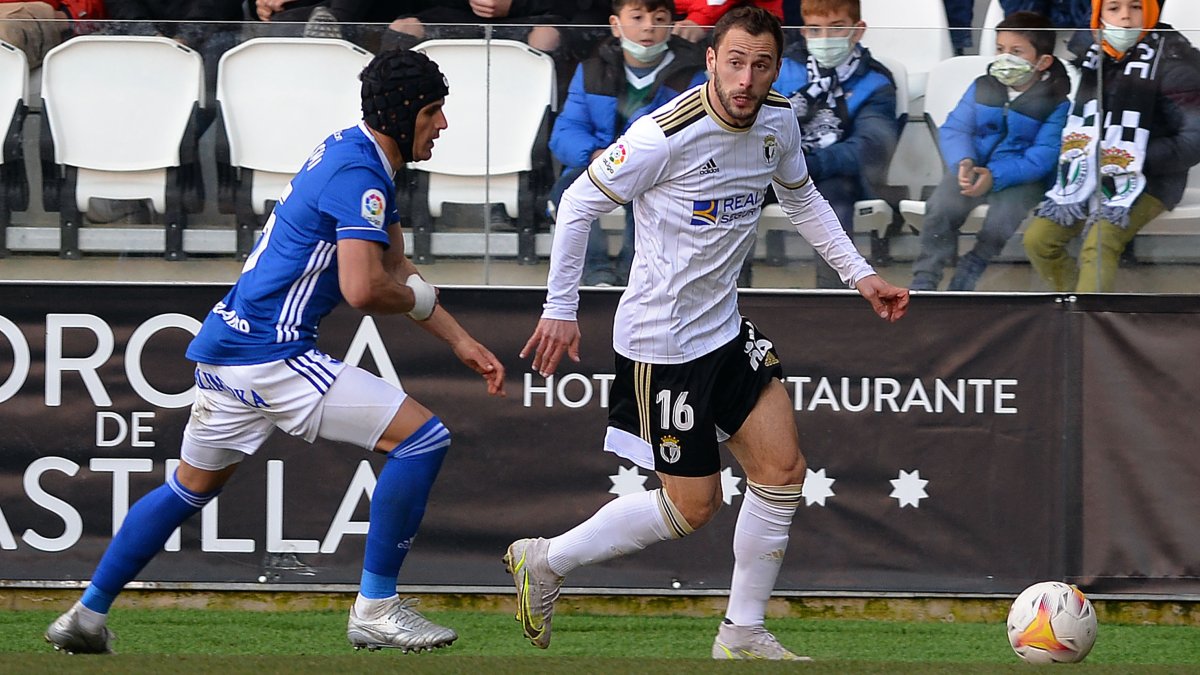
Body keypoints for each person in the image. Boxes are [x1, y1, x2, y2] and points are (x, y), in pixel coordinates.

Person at [44, 49, 507, 655]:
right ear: (401, 114)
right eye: (432, 111)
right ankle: (376, 609)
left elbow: (394, 265)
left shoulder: (353, 153)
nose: (442, 124)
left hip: (226, 347)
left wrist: (459, 339)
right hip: (272, 353)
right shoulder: (360, 176)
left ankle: (84, 616)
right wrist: (417, 300)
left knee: (188, 487)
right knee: (422, 440)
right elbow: (365, 288)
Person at [506, 6, 908, 660]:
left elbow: (801, 195)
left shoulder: (778, 118)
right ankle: (548, 559)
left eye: (762, 65)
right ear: (712, 60)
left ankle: (742, 632)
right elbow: (578, 202)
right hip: (662, 345)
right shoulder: (664, 135)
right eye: (736, 62)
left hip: (724, 330)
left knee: (782, 471)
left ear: (777, 69)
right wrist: (560, 307)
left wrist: (859, 274)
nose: (747, 79)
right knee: (693, 507)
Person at [1023, 0, 1200, 292]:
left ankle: (1089, 317)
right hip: (1088, 174)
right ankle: (1077, 304)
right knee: (1038, 240)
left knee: (1099, 242)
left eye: (1136, 7)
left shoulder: (1176, 63)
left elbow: (1192, 141)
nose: (1125, 18)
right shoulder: (1092, 58)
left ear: (1151, 12)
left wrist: (1131, 159)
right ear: (1098, 15)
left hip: (1153, 180)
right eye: (1113, 8)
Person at [549, 0, 706, 286]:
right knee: (567, 189)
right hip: (600, 164)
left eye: (660, 19)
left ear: (671, 26)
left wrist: (643, 160)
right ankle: (596, 273)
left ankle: (633, 275)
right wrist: (596, 154)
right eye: (637, 17)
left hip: (657, 173)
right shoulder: (591, 71)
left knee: (647, 195)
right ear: (615, 25)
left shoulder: (691, 77)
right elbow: (565, 131)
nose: (649, 27)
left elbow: (693, 138)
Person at [910, 11, 1071, 292]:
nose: (1004, 58)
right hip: (973, 168)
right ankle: (925, 278)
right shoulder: (982, 87)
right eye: (1000, 49)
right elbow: (955, 129)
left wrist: (994, 177)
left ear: (1043, 62)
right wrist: (964, 161)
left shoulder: (1057, 102)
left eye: (1016, 52)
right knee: (941, 207)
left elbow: (1043, 156)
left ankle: (974, 264)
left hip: (1022, 179)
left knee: (1003, 216)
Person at [772, 0, 900, 288]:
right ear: (803, 32)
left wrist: (808, 165)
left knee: (833, 207)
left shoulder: (876, 82)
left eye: (837, 28)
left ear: (858, 31)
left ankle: (830, 300)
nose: (825, 38)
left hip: (838, 177)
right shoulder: (781, 69)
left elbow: (869, 147)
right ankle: (735, 295)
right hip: (775, 170)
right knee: (737, 197)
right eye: (815, 29)